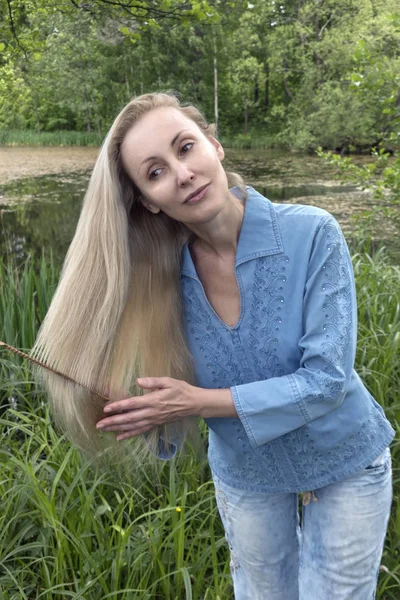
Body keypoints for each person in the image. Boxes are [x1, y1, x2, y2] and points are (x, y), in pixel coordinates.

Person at [32, 92, 394, 599]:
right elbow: (171, 426)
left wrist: (196, 401)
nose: (181, 174)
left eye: (185, 148)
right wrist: (142, 412)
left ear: (215, 146)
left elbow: (327, 382)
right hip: (246, 475)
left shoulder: (313, 233)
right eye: (154, 173)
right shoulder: (157, 285)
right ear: (146, 200)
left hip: (347, 461)